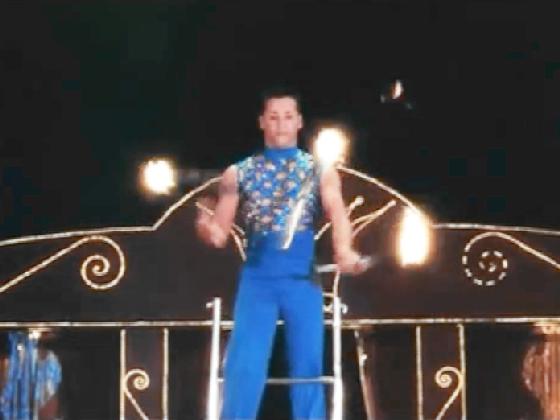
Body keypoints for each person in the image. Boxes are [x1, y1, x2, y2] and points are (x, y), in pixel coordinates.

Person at [195, 87, 365, 420]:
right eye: (273, 117)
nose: (281, 124)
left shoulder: (319, 170)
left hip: (302, 281)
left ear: (299, 121)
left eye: (288, 116)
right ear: (262, 122)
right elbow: (219, 235)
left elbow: (338, 213)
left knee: (308, 368)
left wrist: (344, 250)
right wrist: (205, 226)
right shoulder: (238, 173)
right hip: (258, 281)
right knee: (244, 367)